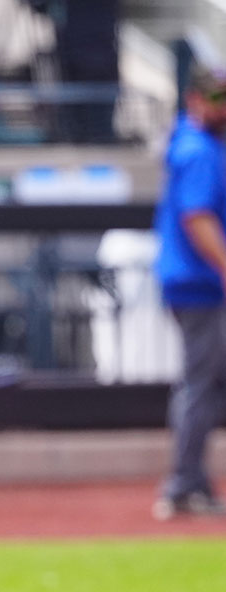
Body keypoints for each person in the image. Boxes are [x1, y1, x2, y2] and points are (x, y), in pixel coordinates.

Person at [152, 64, 226, 520]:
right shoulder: (198, 149)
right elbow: (197, 218)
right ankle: (184, 483)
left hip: (196, 283)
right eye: (215, 98)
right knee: (199, 385)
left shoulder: (199, 142)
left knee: (203, 383)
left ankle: (189, 480)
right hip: (199, 285)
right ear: (194, 100)